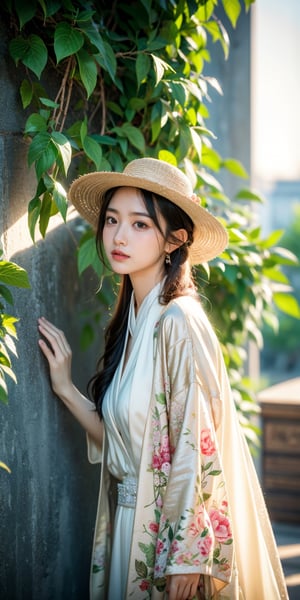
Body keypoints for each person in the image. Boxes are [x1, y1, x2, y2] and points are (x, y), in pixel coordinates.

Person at [38, 158, 288, 600]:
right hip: (130, 530)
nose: (117, 236)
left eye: (139, 224)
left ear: (176, 239)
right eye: (112, 220)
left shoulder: (178, 320)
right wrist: (64, 386)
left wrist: (188, 554)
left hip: (169, 544)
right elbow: (124, 446)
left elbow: (197, 441)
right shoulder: (134, 320)